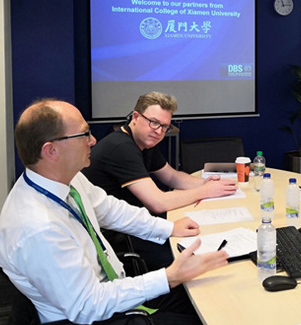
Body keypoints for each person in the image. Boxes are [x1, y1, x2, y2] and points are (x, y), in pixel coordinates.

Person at [0, 99, 229, 325]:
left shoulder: (67, 178)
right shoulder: (39, 229)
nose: (93, 140)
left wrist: (167, 228)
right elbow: (88, 305)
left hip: (116, 291)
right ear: (51, 150)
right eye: (84, 134)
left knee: (208, 298)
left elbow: (110, 209)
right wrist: (167, 277)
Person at [82, 91, 237, 270]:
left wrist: (205, 183)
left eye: (164, 127)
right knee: (194, 253)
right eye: (154, 122)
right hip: (120, 236)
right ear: (135, 117)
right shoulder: (121, 147)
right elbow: (158, 203)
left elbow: (171, 176)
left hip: (136, 222)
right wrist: (205, 191)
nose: (159, 131)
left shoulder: (144, 141)